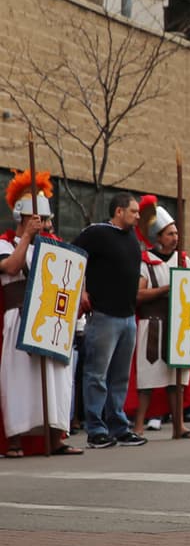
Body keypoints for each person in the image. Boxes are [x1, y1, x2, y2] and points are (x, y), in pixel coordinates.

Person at [0, 171, 80, 456]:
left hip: (48, 319)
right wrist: (27, 238)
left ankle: (55, 437)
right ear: (22, 218)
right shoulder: (4, 244)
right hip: (18, 319)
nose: (44, 225)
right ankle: (16, 440)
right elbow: (10, 268)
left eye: (45, 220)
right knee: (20, 380)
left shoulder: (51, 247)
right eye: (39, 220)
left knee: (54, 379)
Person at [74, 192, 148, 449]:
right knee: (96, 374)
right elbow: (73, 257)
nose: (138, 216)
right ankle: (95, 429)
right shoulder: (96, 233)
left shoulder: (131, 239)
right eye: (134, 211)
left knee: (120, 377)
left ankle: (119, 426)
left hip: (127, 317)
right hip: (104, 316)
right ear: (119, 211)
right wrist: (80, 289)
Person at [127, 195, 190, 439]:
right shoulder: (146, 261)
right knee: (148, 379)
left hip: (178, 324)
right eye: (170, 233)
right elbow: (138, 294)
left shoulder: (184, 260)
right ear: (158, 237)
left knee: (176, 379)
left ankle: (179, 426)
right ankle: (138, 426)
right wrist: (167, 289)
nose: (175, 238)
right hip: (153, 324)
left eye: (176, 233)